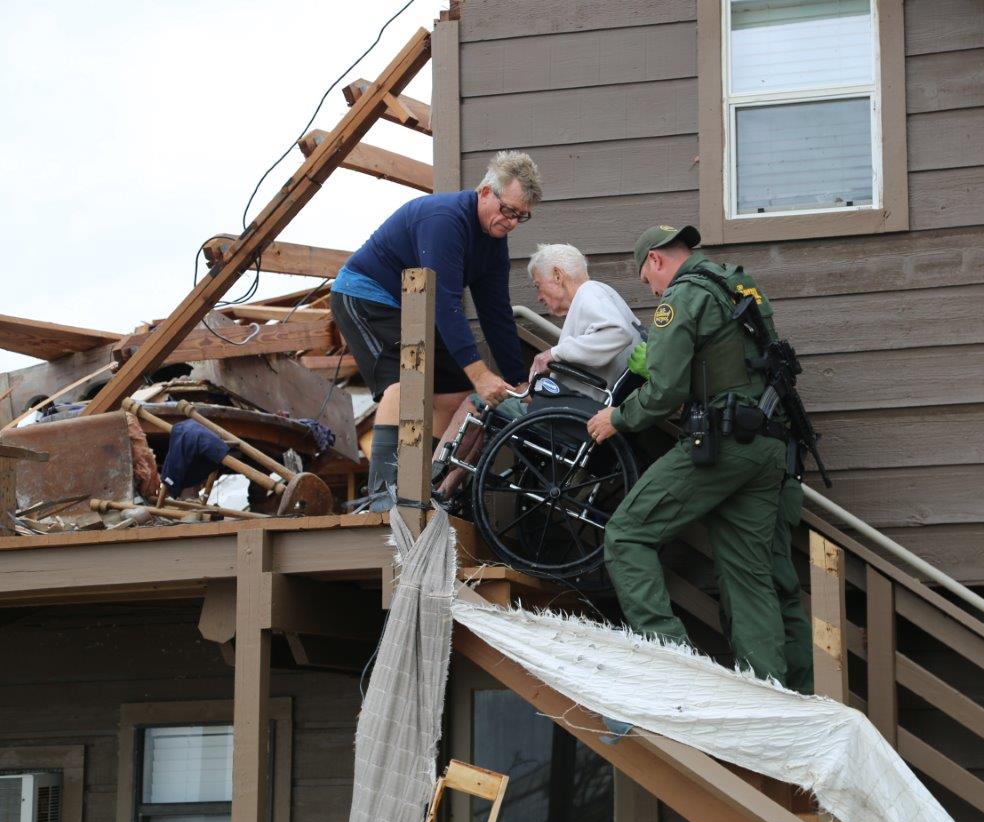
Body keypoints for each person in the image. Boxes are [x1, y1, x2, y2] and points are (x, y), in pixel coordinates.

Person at [586, 224, 798, 685]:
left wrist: (617, 418)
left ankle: (678, 668)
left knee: (625, 535)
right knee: (748, 577)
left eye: (647, 281)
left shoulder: (684, 296)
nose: (652, 289)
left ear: (657, 261)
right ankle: (772, 695)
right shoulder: (740, 284)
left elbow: (664, 390)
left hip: (722, 445)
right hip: (768, 447)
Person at [330, 150, 542, 509]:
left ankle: (423, 488)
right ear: (486, 191)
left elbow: (497, 316)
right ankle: (382, 492)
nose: (511, 223)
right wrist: (480, 374)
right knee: (403, 381)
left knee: (454, 393)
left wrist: (519, 382)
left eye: (522, 217)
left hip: (417, 308)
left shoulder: (494, 245)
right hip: (366, 298)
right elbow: (445, 301)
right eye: (508, 211)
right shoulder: (445, 218)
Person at [432, 242, 643, 499]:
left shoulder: (590, 292)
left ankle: (431, 483)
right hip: (579, 406)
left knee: (478, 401)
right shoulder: (604, 296)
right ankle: (442, 491)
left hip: (573, 416)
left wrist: (553, 354)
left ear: (557, 275)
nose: (539, 297)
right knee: (497, 402)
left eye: (537, 285)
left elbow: (616, 332)